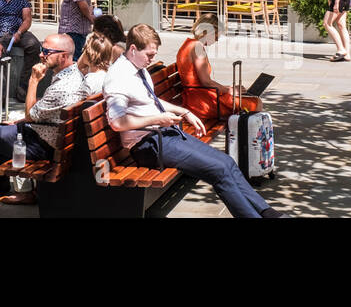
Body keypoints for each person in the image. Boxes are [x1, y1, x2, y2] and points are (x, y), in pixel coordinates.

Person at [104, 24, 286, 218]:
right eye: (149, 54)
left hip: (164, 135)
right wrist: (158, 118)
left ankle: (268, 212)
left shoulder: (137, 68)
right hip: (148, 145)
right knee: (218, 170)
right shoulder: (119, 77)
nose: (152, 59)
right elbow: (117, 122)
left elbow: (150, 102)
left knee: (226, 162)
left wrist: (184, 112)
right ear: (133, 49)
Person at [0, 33, 83, 197]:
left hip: (38, 144)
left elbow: (30, 115)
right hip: (46, 137)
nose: (41, 54)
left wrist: (33, 80)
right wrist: (20, 121)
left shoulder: (62, 87)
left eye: (46, 51)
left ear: (63, 56)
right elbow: (41, 113)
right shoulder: (74, 75)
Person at [177, 13, 263, 121]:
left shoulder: (189, 44)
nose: (217, 40)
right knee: (255, 102)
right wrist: (229, 90)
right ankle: (251, 137)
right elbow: (206, 82)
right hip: (201, 102)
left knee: (245, 99)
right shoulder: (197, 47)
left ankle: (244, 135)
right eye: (216, 36)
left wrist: (228, 88)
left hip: (196, 97)